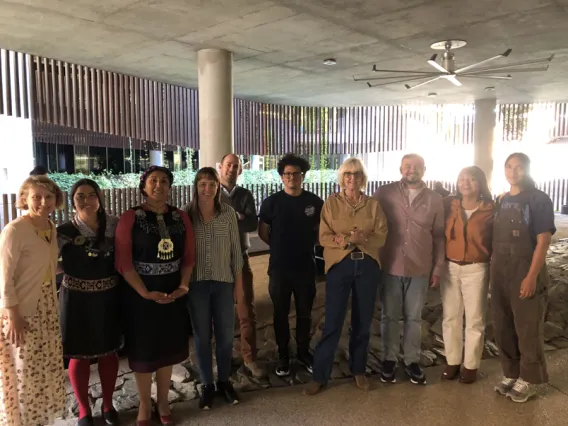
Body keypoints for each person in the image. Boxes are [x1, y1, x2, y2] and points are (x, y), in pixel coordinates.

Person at [115, 166, 195, 426]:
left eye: (163, 181)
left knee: (167, 348)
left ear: (170, 186)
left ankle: (162, 402)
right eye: (152, 180)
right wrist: (145, 293)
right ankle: (144, 405)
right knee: (143, 352)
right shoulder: (130, 217)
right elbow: (123, 262)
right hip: (140, 295)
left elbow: (189, 257)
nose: (158, 185)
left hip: (173, 292)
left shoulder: (181, 217)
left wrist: (183, 286)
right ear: (143, 186)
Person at [304, 158, 388, 395]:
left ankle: (358, 371)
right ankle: (320, 376)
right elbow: (323, 237)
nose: (353, 178)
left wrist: (365, 240)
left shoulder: (373, 205)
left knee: (362, 322)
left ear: (363, 178)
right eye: (348, 173)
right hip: (340, 266)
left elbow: (381, 235)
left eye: (357, 173)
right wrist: (348, 240)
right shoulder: (331, 205)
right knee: (332, 322)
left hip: (367, 267)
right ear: (342, 177)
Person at [373, 153, 445, 385]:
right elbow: (368, 218)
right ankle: (389, 359)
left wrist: (438, 268)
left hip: (420, 267)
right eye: (407, 166)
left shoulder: (435, 199)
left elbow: (439, 236)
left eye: (416, 166)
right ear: (400, 169)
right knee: (389, 316)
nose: (411, 170)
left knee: (414, 318)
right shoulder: (384, 193)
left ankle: (412, 360)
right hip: (390, 265)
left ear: (424, 169)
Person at [0, 175, 65, 426]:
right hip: (21, 310)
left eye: (48, 196)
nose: (43, 202)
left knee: (44, 369)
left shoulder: (49, 227)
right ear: (24, 199)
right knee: (24, 372)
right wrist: (13, 315)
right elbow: (4, 278)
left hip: (48, 305)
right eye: (36, 196)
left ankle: (40, 420)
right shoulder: (15, 230)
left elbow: (47, 267)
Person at [57, 179, 122, 426]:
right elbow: (48, 263)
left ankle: (107, 405)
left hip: (108, 297)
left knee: (109, 352)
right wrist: (69, 269)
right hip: (75, 300)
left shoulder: (114, 225)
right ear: (73, 201)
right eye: (80, 196)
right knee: (79, 355)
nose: (86, 201)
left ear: (99, 198)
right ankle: (84, 410)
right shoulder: (63, 231)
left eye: (91, 195)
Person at [492, 153, 555, 403]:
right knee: (503, 323)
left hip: (525, 270)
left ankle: (530, 378)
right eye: (509, 166)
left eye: (519, 167)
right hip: (500, 272)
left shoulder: (539, 199)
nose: (513, 171)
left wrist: (531, 276)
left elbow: (543, 240)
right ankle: (511, 373)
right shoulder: (502, 199)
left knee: (527, 327)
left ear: (527, 170)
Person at [258, 154, 324, 377]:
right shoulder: (272, 202)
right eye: (287, 174)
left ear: (302, 176)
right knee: (280, 314)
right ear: (281, 177)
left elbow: (320, 233)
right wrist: (279, 246)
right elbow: (263, 233)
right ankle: (283, 356)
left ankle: (304, 353)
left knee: (305, 314)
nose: (291, 177)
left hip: (306, 267)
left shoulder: (315, 202)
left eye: (295, 173)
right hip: (279, 269)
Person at [183, 167, 243, 410]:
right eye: (202, 184)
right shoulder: (186, 215)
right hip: (196, 284)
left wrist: (239, 287)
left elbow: (236, 253)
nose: (207, 189)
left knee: (226, 336)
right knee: (202, 337)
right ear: (196, 187)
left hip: (223, 282)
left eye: (212, 184)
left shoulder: (227, 213)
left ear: (218, 187)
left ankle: (224, 381)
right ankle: (207, 384)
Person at [441, 166, 494, 384]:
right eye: (462, 178)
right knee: (451, 317)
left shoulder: (491, 209)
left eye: (471, 179)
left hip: (477, 268)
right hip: (450, 267)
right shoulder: (449, 205)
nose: (465, 183)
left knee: (475, 320)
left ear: (480, 183)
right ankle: (452, 361)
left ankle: (471, 365)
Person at [217, 154, 264, 378]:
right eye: (228, 165)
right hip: (215, 260)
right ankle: (223, 357)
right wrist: (237, 216)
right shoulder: (210, 191)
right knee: (220, 311)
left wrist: (236, 217)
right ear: (220, 167)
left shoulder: (244, 194)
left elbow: (252, 223)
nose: (231, 169)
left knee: (246, 309)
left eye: (236, 166)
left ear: (240, 171)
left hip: (240, 258)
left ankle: (249, 357)